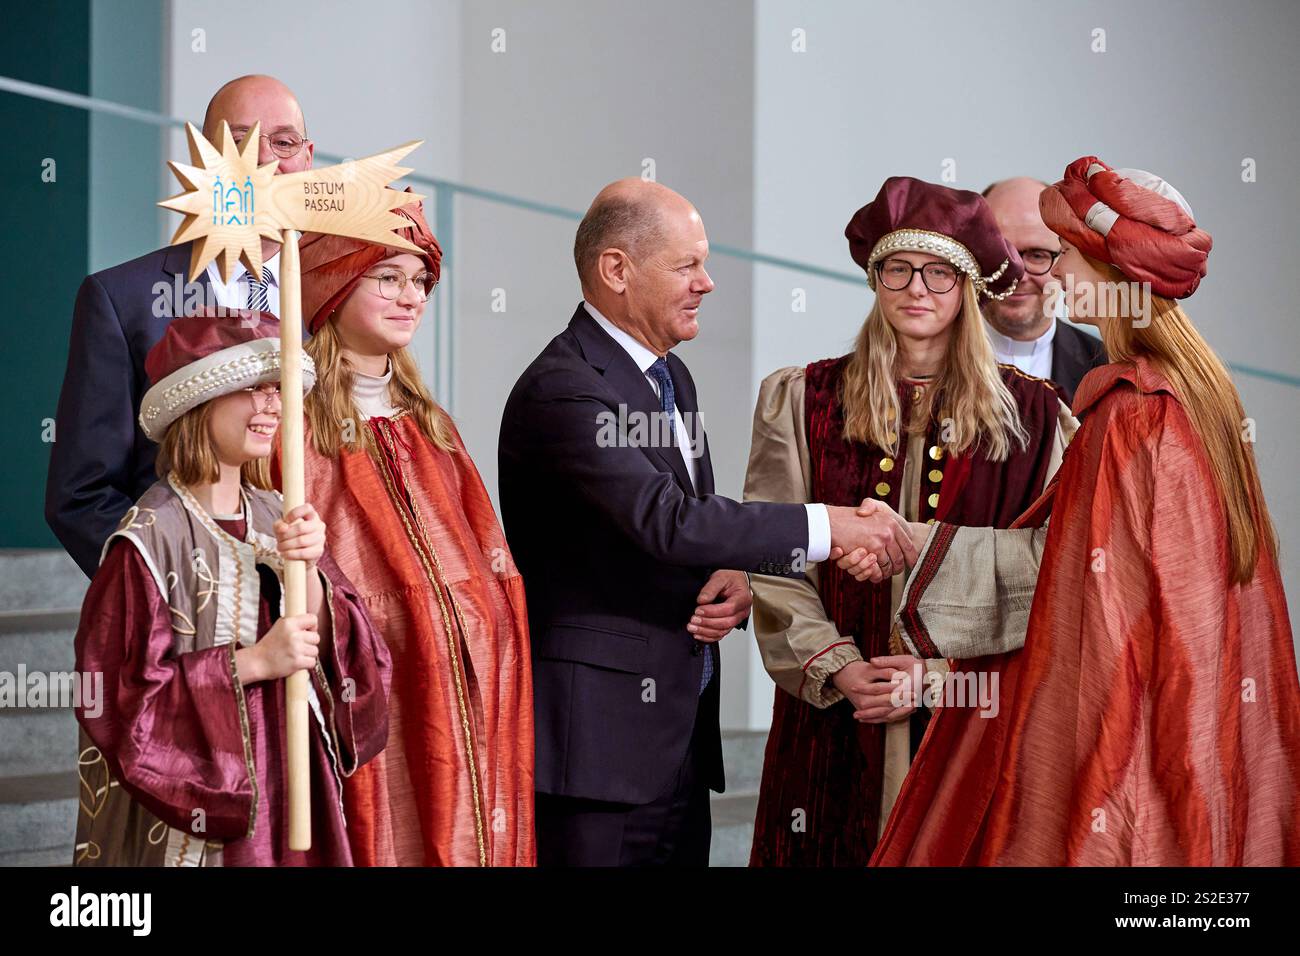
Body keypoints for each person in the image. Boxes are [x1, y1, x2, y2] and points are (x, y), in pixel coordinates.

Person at [853, 157, 1300, 865]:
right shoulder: (1196, 392)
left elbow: (1093, 597)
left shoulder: (1132, 411)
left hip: (1130, 739)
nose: (1049, 273)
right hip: (1183, 723)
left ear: (1114, 273)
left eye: (1064, 254)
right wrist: (917, 539)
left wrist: (914, 545)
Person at [498, 178, 917, 866]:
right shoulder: (564, 387)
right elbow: (667, 518)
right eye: (687, 265)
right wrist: (829, 528)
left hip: (679, 744)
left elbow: (679, 528)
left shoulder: (670, 377)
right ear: (616, 270)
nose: (708, 283)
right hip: (598, 756)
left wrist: (731, 572)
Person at [745, 177, 1076, 867]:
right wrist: (837, 667)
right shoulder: (803, 396)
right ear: (875, 279)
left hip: (965, 718)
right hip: (833, 717)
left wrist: (934, 675)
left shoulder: (1039, 418)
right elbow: (770, 549)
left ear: (968, 286)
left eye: (939, 272)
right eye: (898, 268)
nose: (916, 288)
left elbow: (1059, 566)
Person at [73, 313, 391, 866]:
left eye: (278, 391)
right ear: (198, 401)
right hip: (207, 797)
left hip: (291, 777)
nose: (272, 406)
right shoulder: (151, 538)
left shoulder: (278, 514)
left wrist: (312, 573)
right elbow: (116, 700)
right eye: (252, 389)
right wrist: (250, 665)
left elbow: (355, 661)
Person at [296, 200, 534, 867]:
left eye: (422, 280)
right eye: (388, 278)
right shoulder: (295, 431)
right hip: (374, 701)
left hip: (467, 694)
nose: (412, 297)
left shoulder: (432, 426)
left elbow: (487, 564)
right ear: (333, 285)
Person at [47, 74, 315, 577]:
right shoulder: (122, 299)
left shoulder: (334, 303)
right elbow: (82, 494)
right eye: (238, 142)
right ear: (203, 160)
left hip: (316, 615)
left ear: (307, 158)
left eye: (283, 142)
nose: (262, 161)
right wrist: (180, 587)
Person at [980, 178, 1107, 403]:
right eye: (1001, 254)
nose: (1018, 275)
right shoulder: (921, 361)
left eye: (1037, 255)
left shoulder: (1107, 367)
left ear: (1064, 259)